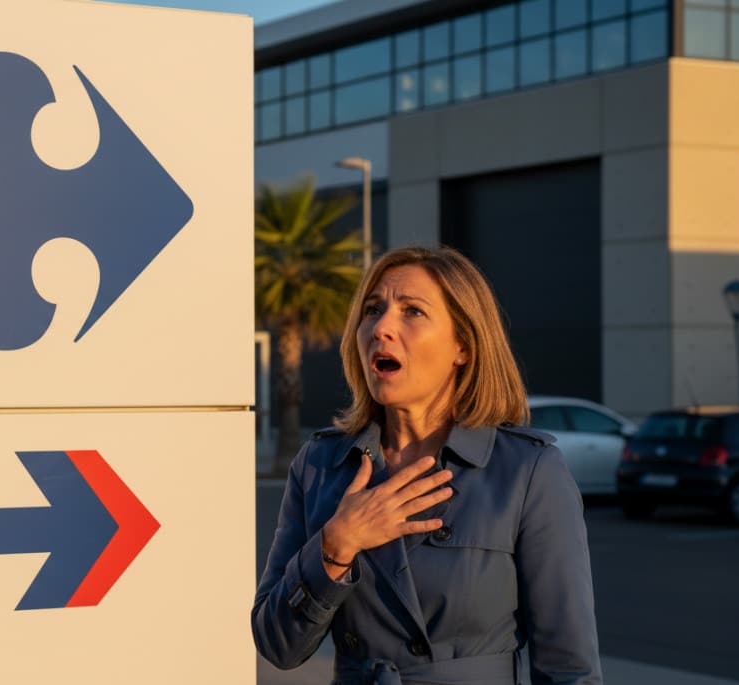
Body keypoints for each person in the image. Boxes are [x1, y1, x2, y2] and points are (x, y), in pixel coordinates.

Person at [252, 246, 601, 685]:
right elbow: (275, 644)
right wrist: (336, 545)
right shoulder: (321, 465)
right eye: (372, 310)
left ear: (464, 347)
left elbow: (569, 668)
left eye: (412, 311)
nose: (382, 327)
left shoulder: (528, 471)